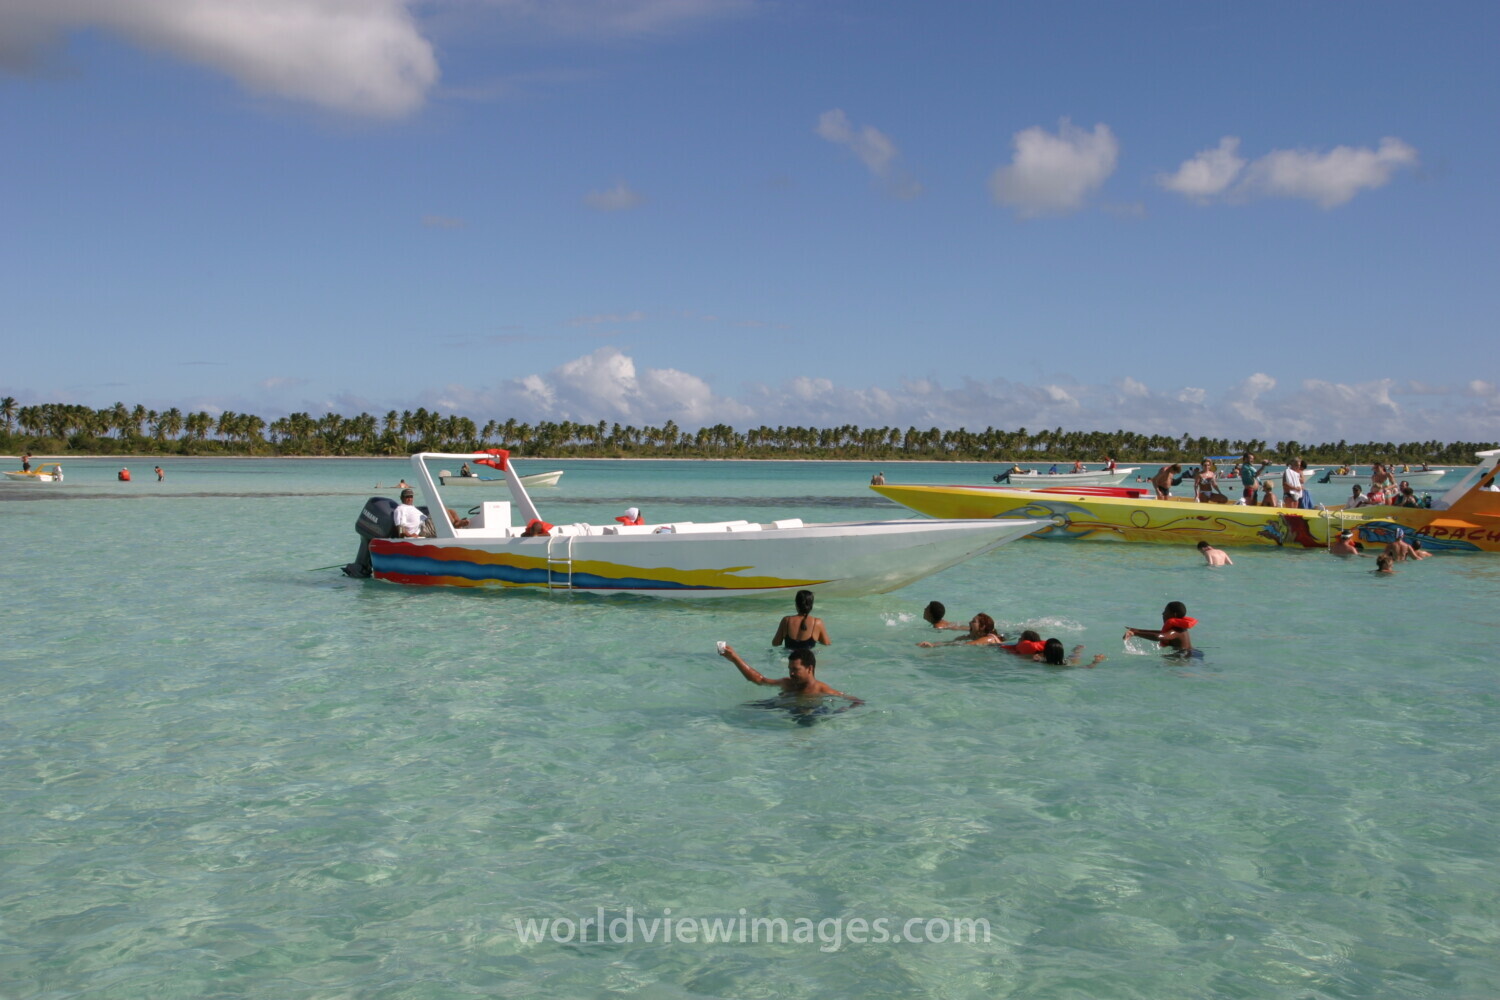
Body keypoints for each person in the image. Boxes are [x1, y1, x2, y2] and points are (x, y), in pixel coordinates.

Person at [719, 644, 860, 704]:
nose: (791, 673)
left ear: (809, 669)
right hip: (779, 706)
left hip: (807, 713)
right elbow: (758, 679)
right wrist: (735, 659)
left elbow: (857, 701)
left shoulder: (821, 690)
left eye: (795, 669)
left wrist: (840, 712)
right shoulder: (787, 683)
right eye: (790, 669)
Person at [1124, 601, 1197, 657]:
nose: (1163, 614)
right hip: (1191, 653)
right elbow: (1161, 633)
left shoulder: (1176, 631)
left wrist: (1135, 633)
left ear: (1174, 615)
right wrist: (1137, 630)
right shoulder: (1178, 629)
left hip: (1185, 657)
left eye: (1165, 611)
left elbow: (1158, 636)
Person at [773, 590, 831, 657]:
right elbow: (827, 643)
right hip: (807, 660)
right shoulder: (817, 622)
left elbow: (776, 643)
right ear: (811, 605)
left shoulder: (786, 620)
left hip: (790, 658)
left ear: (796, 604)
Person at [918, 613, 1001, 647]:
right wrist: (933, 644)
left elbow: (967, 644)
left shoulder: (989, 638)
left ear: (982, 627)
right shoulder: (972, 636)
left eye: (974, 622)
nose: (970, 623)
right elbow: (950, 642)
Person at [1035, 638, 1105, 667]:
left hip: (1069, 662)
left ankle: (1078, 649)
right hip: (1065, 661)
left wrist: (1096, 662)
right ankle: (1077, 649)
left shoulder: (1042, 661)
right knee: (1074, 655)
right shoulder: (1041, 660)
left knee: (1076, 654)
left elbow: (1086, 667)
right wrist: (1095, 662)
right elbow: (1086, 667)